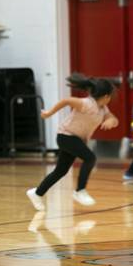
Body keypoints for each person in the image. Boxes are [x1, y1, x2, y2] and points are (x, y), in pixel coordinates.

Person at [26, 73, 118, 210]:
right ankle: (80, 191)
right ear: (106, 96)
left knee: (61, 171)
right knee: (90, 158)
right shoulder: (86, 104)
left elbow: (112, 118)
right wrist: (49, 113)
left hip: (75, 139)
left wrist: (111, 120)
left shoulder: (103, 108)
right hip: (66, 136)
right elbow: (67, 101)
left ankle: (37, 193)